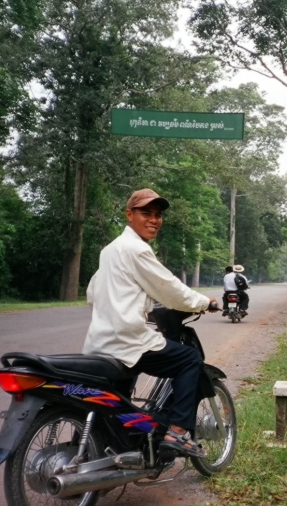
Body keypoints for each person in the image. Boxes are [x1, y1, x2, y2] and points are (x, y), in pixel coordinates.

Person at [83, 188, 218, 459]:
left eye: (158, 215)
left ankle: (119, 445)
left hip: (100, 342)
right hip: (127, 340)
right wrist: (205, 302)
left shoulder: (110, 250)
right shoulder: (137, 249)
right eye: (146, 213)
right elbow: (169, 288)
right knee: (189, 359)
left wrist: (131, 306)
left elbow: (92, 294)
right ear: (129, 215)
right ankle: (178, 433)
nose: (154, 219)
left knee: (118, 398)